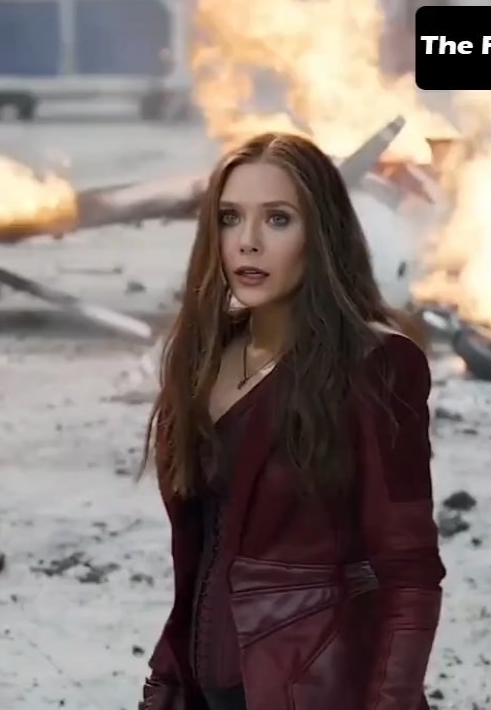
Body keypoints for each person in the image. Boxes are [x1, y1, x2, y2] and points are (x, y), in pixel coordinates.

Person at [137, 132, 445, 710]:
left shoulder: (376, 364)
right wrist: (167, 678)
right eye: (230, 218)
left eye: (278, 219)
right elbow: (198, 557)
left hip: (317, 690)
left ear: (321, 233)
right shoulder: (200, 359)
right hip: (205, 687)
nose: (248, 242)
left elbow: (408, 571)